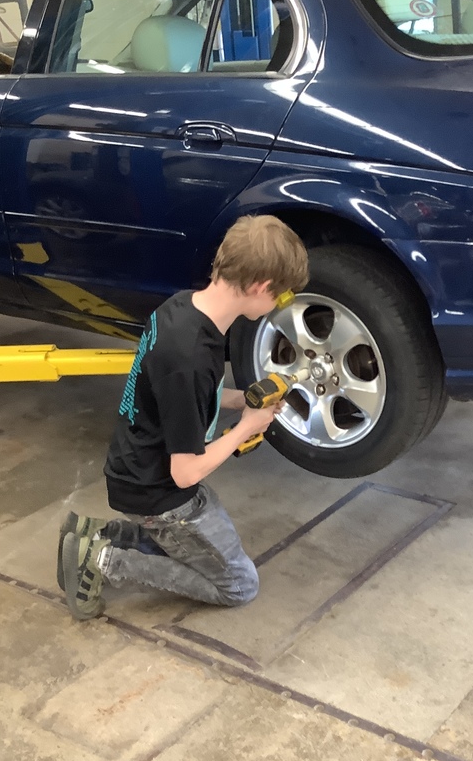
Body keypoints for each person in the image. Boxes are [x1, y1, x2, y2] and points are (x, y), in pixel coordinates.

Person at [58, 214, 309, 620]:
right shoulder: (191, 358)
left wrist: (240, 401)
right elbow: (186, 473)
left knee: (198, 551)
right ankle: (103, 560)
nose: (276, 306)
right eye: (281, 298)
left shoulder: (182, 308)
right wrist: (246, 427)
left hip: (133, 466)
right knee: (239, 584)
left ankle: (99, 534)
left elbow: (180, 396)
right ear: (261, 287)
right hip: (159, 493)